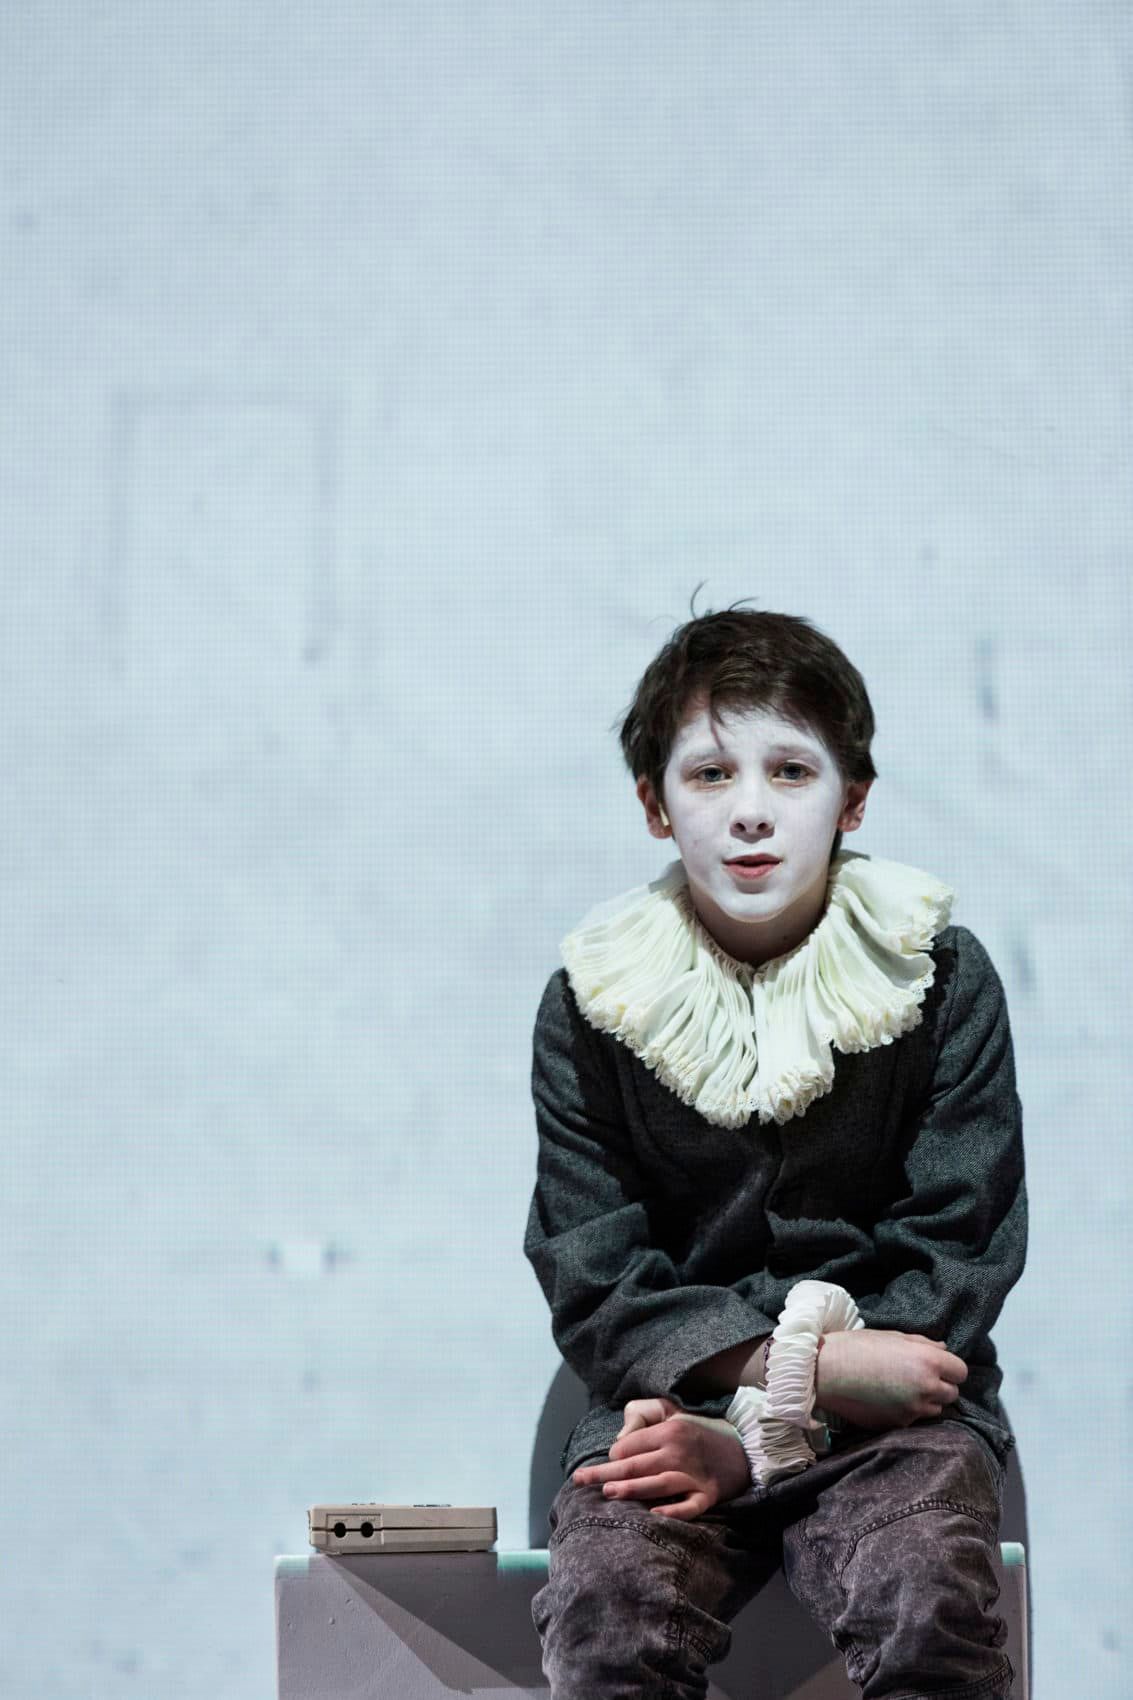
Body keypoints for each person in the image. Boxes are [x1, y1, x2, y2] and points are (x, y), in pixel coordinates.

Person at [524, 593, 1027, 1700]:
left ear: (852, 797)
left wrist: (769, 1431)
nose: (750, 812)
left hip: (894, 1411)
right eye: (708, 775)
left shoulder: (939, 979)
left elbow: (956, 1248)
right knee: (607, 1608)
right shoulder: (589, 1003)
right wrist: (768, 1379)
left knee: (922, 1589)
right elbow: (592, 1269)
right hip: (668, 1407)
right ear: (654, 803)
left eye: (789, 772)